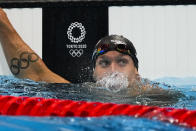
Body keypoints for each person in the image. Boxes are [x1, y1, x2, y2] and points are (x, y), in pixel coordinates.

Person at [0, 8, 140, 90]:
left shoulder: (157, 97)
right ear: (94, 73)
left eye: (122, 62)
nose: (113, 70)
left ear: (136, 73)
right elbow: (37, 74)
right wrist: (2, 22)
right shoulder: (79, 97)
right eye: (104, 63)